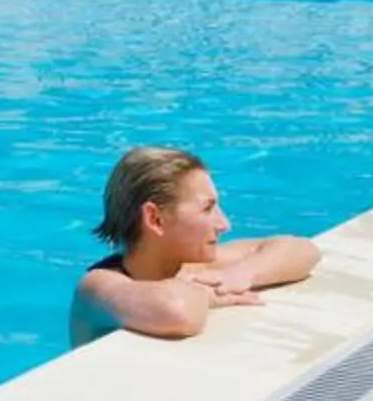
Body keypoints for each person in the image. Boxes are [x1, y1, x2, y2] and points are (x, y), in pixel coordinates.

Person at [72, 146, 320, 344]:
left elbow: (302, 250)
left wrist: (241, 273)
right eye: (207, 208)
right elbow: (178, 313)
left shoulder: (196, 267)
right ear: (155, 219)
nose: (224, 224)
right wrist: (212, 293)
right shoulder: (98, 288)